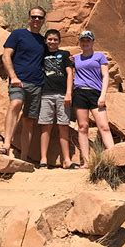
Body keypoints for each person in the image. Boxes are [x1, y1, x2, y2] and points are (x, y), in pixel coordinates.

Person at [2, 6, 46, 160]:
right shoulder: (18, 34)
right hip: (18, 80)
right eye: (34, 16)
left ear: (43, 20)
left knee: (29, 120)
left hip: (36, 84)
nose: (36, 20)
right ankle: (6, 145)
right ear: (29, 18)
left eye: (40, 17)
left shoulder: (42, 41)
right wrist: (13, 76)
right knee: (15, 104)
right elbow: (6, 56)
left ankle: (24, 158)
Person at [72, 30, 114, 168]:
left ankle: (113, 157)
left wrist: (103, 95)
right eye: (83, 40)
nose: (85, 43)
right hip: (79, 93)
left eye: (88, 40)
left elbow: (105, 76)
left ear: (92, 42)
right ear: (80, 42)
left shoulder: (99, 56)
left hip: (95, 93)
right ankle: (86, 161)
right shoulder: (75, 58)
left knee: (104, 126)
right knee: (83, 127)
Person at [38, 29, 78, 169]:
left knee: (63, 126)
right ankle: (43, 159)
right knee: (45, 126)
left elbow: (69, 73)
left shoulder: (65, 54)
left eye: (55, 39)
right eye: (49, 39)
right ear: (45, 40)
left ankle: (67, 160)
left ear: (59, 41)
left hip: (62, 94)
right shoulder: (42, 54)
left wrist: (69, 93)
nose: (52, 42)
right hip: (46, 94)